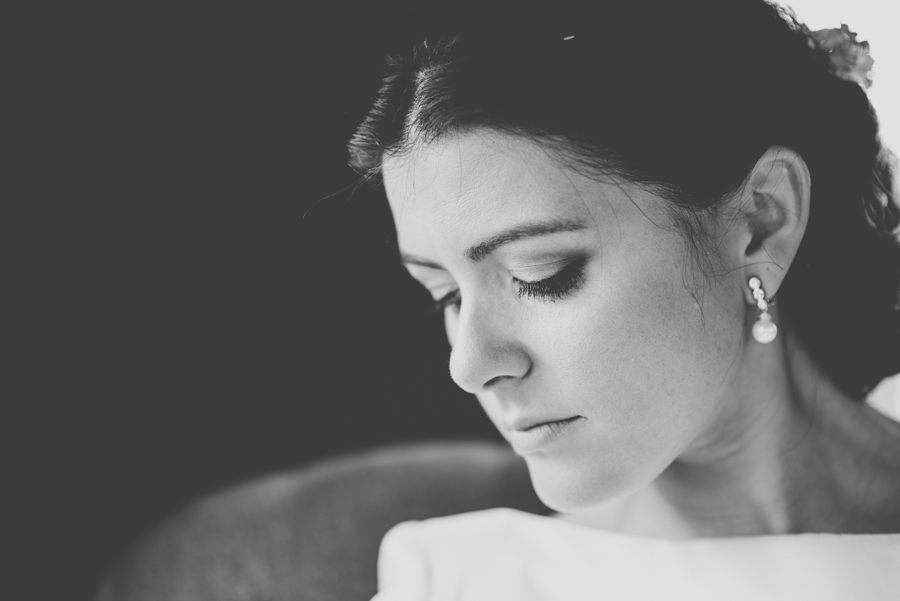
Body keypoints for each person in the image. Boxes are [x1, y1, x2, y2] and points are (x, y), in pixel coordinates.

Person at [343, 0, 900, 598]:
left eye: (542, 274)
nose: (469, 366)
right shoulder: (457, 583)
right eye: (446, 296)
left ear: (761, 222)